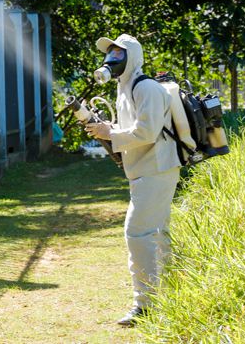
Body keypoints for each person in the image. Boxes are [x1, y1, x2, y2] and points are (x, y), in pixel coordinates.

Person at [84, 34, 181, 327]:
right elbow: (132, 128)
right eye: (109, 55)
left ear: (132, 58)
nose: (111, 60)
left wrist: (109, 134)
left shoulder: (146, 87)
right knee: (157, 232)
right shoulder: (124, 88)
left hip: (156, 168)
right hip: (144, 169)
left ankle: (145, 305)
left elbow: (148, 132)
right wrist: (107, 128)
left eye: (117, 54)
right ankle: (175, 290)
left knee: (136, 233)